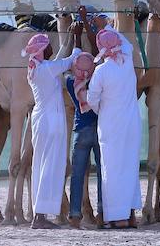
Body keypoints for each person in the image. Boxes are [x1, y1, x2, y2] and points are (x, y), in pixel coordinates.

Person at [23, 24, 83, 229]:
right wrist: (77, 36)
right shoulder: (46, 69)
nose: (51, 48)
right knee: (50, 166)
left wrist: (71, 37)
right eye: (48, 46)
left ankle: (39, 214)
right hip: (50, 121)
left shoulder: (38, 68)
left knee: (42, 164)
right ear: (42, 50)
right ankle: (39, 216)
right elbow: (72, 60)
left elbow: (62, 60)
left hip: (42, 119)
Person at [86, 28, 142, 229]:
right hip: (132, 123)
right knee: (130, 167)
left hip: (111, 125)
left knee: (112, 170)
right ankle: (131, 215)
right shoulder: (128, 61)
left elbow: (92, 99)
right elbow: (127, 43)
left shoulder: (101, 71)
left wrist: (102, 110)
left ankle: (118, 217)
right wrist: (109, 26)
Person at [66, 52, 102, 229]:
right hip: (98, 129)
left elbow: (66, 70)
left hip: (80, 130)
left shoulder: (70, 82)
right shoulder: (97, 83)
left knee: (77, 175)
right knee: (102, 173)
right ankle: (102, 213)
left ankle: (74, 215)